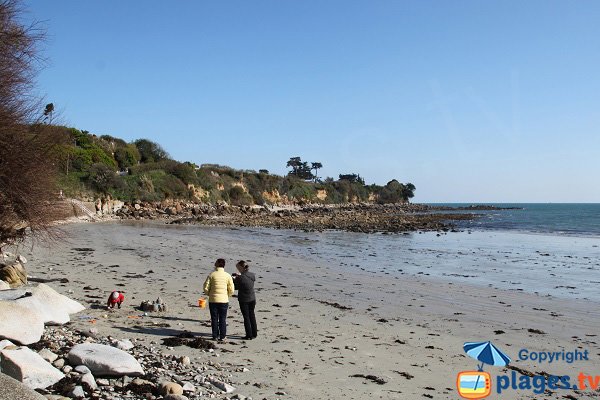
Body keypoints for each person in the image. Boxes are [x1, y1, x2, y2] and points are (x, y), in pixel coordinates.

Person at [203, 258, 234, 342]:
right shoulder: (227, 275)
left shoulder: (211, 275)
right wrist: (227, 295)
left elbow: (205, 287)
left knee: (214, 318)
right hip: (224, 300)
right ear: (224, 265)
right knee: (222, 319)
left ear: (216, 264)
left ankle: (215, 335)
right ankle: (223, 336)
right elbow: (231, 289)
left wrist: (209, 294)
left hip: (213, 300)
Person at [232, 260, 257, 340]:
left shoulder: (241, 278)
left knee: (246, 317)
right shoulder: (252, 275)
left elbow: (235, 287)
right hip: (252, 298)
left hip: (244, 299)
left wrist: (234, 279)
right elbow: (247, 279)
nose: (237, 269)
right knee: (252, 315)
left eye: (238, 268)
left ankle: (249, 335)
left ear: (241, 268)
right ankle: (254, 333)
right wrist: (238, 276)